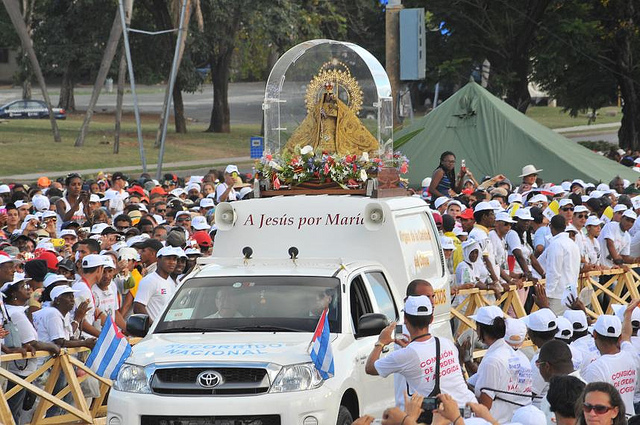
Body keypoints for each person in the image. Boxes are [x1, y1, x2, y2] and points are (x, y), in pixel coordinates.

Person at [366, 295, 476, 424]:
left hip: (447, 418)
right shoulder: (447, 343)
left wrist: (381, 342)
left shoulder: (406, 355)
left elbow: (370, 368)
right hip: (472, 411)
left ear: (405, 319)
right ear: (431, 319)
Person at [1, 278, 60, 423]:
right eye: (22, 287)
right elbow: (33, 342)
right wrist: (53, 347)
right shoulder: (16, 313)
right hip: (18, 371)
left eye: (27, 285)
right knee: (12, 413)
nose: (28, 288)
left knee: (16, 410)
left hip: (19, 369)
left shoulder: (18, 311)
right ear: (14, 294)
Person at [470, 305, 532, 422]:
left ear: (480, 329)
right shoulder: (521, 357)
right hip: (520, 419)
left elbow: (484, 406)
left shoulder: (493, 360)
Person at [583, 302, 640, 415]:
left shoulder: (596, 368)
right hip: (630, 418)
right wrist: (628, 315)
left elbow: (593, 405)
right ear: (619, 338)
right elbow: (626, 334)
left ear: (594, 334)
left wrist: (627, 315)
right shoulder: (630, 354)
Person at [541, 215, 580, 314]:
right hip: (571, 292)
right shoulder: (573, 244)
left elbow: (554, 272)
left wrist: (547, 294)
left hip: (558, 295)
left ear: (550, 227)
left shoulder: (556, 244)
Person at [133, 246, 181, 323]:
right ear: (158, 260)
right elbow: (138, 307)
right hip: (155, 332)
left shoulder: (171, 281)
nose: (172, 262)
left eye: (174, 259)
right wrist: (153, 326)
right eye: (168, 259)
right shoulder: (149, 280)